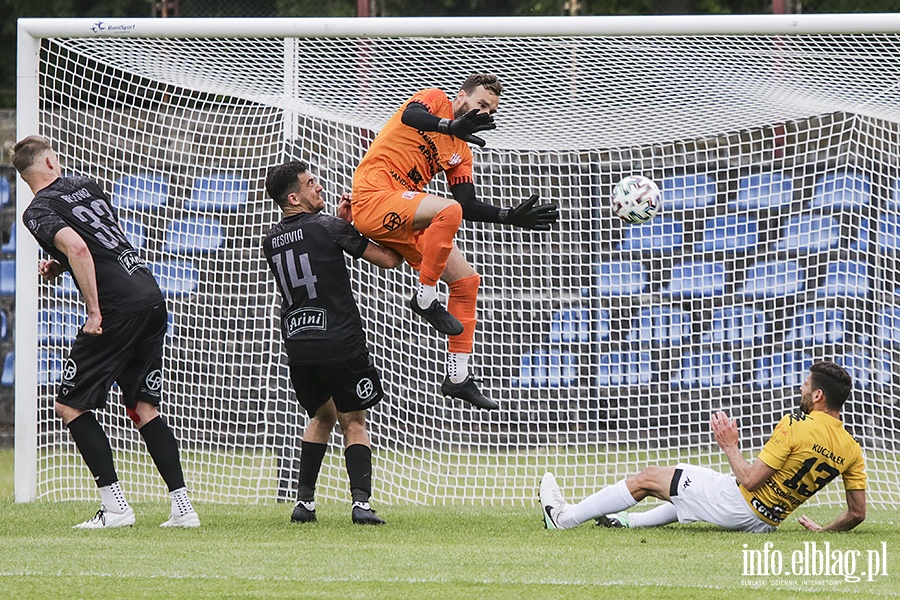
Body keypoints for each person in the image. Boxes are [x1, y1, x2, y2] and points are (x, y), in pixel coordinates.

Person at [12, 136, 199, 529]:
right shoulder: (86, 184)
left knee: (69, 405)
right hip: (149, 294)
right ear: (49, 161)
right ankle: (183, 509)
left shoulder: (37, 211)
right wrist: (60, 264)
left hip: (115, 308)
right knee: (143, 407)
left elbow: (80, 249)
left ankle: (115, 508)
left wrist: (93, 311)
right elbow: (98, 242)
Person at [350, 73, 560, 411]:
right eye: (480, 104)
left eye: (491, 111)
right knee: (447, 211)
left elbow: (468, 203)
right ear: (461, 97)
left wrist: (509, 216)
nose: (485, 114)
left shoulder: (461, 150)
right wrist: (449, 126)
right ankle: (425, 297)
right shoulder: (435, 100)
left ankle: (458, 376)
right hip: (374, 196)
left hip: (404, 212)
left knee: (466, 281)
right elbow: (410, 116)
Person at [540, 361, 866, 533]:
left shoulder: (796, 425)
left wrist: (729, 445)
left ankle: (564, 519)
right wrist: (823, 531)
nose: (801, 388)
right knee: (689, 483)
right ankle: (629, 522)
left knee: (649, 478)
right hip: (767, 523)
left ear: (819, 396)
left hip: (739, 505)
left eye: (806, 385)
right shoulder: (852, 449)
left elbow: (750, 480)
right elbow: (856, 513)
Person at [263, 160, 404, 525]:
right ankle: (361, 505)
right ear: (294, 196)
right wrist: (371, 225)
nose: (319, 187)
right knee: (353, 419)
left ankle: (304, 504)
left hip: (298, 342)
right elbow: (388, 259)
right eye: (311, 184)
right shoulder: (328, 225)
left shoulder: (270, 240)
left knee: (321, 415)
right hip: (339, 339)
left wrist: (343, 225)